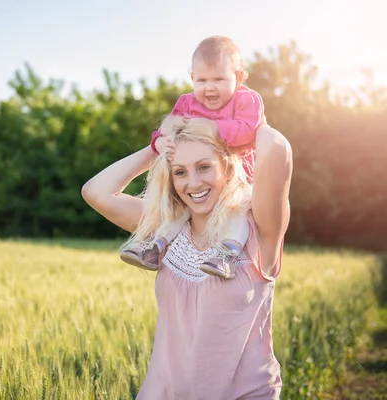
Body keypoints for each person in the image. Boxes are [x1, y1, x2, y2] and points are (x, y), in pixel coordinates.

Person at [81, 116, 292, 399]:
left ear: (227, 167)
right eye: (179, 172)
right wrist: (154, 149)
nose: (193, 183)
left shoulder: (260, 229)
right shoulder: (165, 229)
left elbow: (278, 151)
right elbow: (95, 192)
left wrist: (251, 121)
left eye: (204, 167)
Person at [120, 36, 264, 280]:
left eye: (219, 79)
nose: (209, 88)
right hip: (199, 176)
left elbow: (248, 130)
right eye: (202, 80)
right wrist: (159, 141)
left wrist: (211, 127)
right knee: (179, 209)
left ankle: (227, 253)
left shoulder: (247, 100)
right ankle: (155, 246)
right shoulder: (187, 103)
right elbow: (168, 129)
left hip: (239, 179)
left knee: (238, 209)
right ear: (192, 79)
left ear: (238, 78)